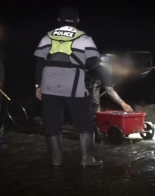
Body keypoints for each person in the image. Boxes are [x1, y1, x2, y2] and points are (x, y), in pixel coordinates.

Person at [34, 7, 102, 167]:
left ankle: (56, 161)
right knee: (84, 124)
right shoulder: (84, 38)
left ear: (58, 20)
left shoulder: (47, 37)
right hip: (74, 88)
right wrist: (81, 67)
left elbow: (39, 64)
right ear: (78, 21)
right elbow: (94, 61)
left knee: (52, 125)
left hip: (49, 87)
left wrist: (38, 86)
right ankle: (87, 160)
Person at [86, 53, 133, 119]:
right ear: (119, 65)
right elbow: (110, 91)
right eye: (121, 71)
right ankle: (90, 121)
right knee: (95, 103)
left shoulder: (113, 57)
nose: (121, 74)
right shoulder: (105, 70)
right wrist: (123, 104)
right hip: (82, 75)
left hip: (92, 69)